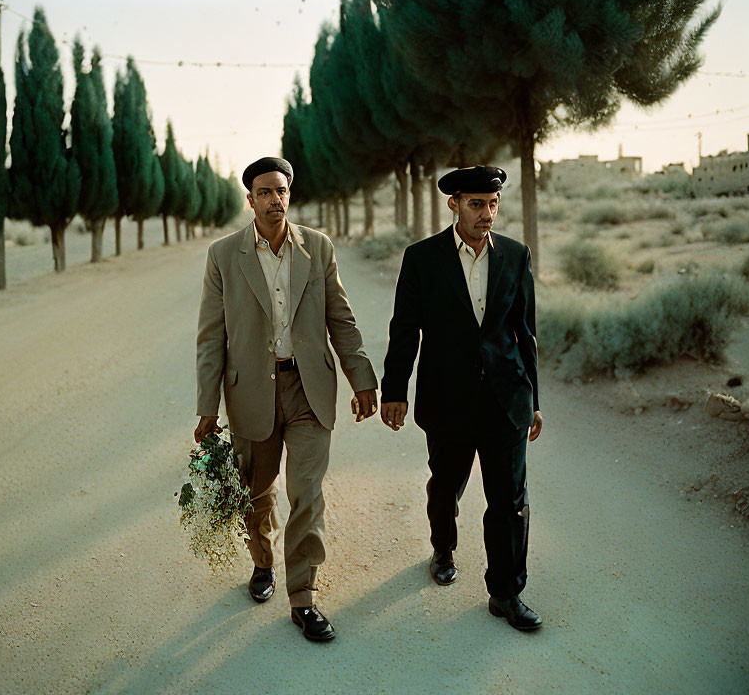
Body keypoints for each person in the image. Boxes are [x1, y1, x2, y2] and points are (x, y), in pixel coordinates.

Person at [195, 157, 378, 642]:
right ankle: (262, 563)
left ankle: (303, 596)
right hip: (250, 392)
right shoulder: (223, 255)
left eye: (282, 190)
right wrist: (207, 408)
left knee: (307, 492)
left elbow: (341, 317)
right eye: (264, 192)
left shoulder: (317, 248)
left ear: (289, 194)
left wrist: (362, 378)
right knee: (257, 493)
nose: (275, 199)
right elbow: (211, 337)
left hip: (308, 388)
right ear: (250, 199)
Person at [380, 165, 544, 631]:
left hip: (505, 399)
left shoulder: (515, 255)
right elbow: (405, 329)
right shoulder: (422, 259)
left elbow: (525, 333)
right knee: (445, 486)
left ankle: (506, 593)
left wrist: (532, 398)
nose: (487, 214)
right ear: (454, 204)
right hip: (447, 400)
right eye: (477, 204)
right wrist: (394, 390)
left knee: (510, 500)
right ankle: (443, 547)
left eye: (493, 204)